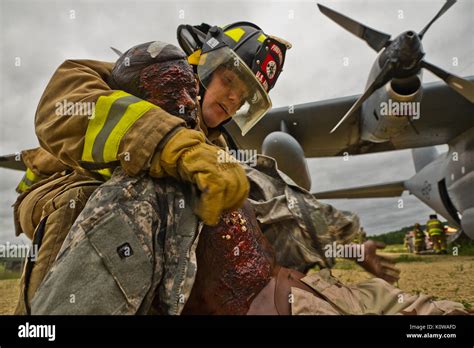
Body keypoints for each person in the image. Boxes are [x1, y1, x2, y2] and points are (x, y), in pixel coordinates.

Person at [13, 22, 292, 314]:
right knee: (86, 203)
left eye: (246, 97)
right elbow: (59, 107)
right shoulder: (149, 73)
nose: (235, 99)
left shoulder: (218, 151)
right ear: (205, 63)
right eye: (230, 80)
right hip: (67, 187)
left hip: (127, 202)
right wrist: (168, 141)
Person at [30, 162, 467, 315]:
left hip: (308, 291)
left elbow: (303, 219)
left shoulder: (242, 177)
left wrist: (357, 247)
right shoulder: (142, 195)